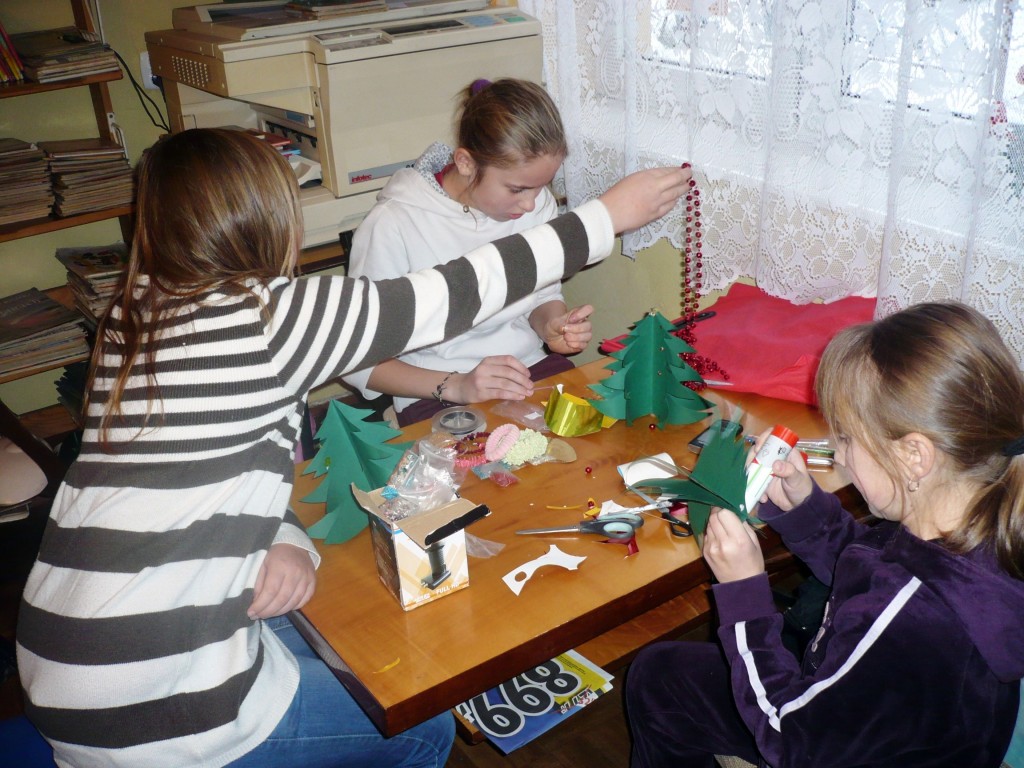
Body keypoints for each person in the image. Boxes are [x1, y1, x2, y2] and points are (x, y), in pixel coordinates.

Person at [14, 128, 690, 768]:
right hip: (147, 716)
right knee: (417, 724)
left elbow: (212, 472)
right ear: (268, 219)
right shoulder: (267, 318)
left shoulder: (135, 309)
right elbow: (456, 290)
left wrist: (283, 536)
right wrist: (607, 215)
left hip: (63, 653)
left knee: (348, 639)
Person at [626, 301, 1024, 768]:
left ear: (914, 456)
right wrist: (804, 510)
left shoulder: (914, 616)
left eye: (848, 439)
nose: (839, 456)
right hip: (868, 708)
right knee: (662, 674)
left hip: (812, 734)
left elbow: (789, 738)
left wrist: (744, 595)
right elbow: (870, 570)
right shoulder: (974, 519)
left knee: (656, 680)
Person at [344, 78, 593, 426]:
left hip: (526, 367)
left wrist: (552, 325)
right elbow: (358, 362)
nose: (531, 204)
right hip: (435, 388)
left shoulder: (535, 204)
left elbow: (542, 295)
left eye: (540, 187)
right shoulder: (393, 225)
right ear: (466, 163)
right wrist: (459, 386)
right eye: (517, 189)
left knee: (594, 444)